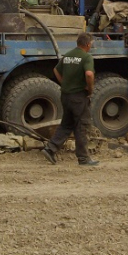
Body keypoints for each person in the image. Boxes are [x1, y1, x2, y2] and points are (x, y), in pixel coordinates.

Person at [42, 32, 99, 167]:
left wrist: (64, 83)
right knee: (81, 126)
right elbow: (89, 74)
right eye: (91, 44)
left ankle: (50, 149)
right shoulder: (86, 57)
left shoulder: (67, 56)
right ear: (88, 44)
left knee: (67, 124)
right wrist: (90, 90)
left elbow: (56, 70)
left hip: (66, 96)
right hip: (79, 97)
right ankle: (84, 159)